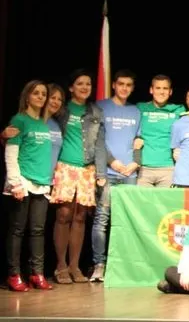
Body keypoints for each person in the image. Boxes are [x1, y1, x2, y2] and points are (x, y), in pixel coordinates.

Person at [49, 69, 107, 285]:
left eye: (88, 84)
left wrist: (101, 172)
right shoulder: (61, 109)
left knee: (80, 216)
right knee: (64, 214)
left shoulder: (95, 111)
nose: (85, 87)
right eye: (80, 83)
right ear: (71, 87)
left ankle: (74, 266)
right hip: (64, 167)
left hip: (87, 169)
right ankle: (60, 265)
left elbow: (100, 144)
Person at [3, 80, 54, 292]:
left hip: (41, 184)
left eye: (43, 94)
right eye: (36, 93)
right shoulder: (19, 120)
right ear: (27, 96)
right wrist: (15, 182)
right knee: (17, 230)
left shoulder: (44, 124)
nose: (41, 97)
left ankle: (37, 273)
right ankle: (14, 274)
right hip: (22, 182)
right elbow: (11, 153)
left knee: (38, 230)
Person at [91, 69, 142, 281]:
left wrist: (135, 163)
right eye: (121, 84)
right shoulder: (100, 107)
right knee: (102, 219)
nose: (124, 88)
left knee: (127, 220)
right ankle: (99, 265)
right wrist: (114, 162)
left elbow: (139, 141)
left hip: (130, 172)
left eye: (129, 85)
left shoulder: (136, 111)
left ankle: (122, 265)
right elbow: (97, 140)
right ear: (114, 85)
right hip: (109, 172)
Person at [136, 75, 185, 188]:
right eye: (158, 88)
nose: (161, 92)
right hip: (144, 168)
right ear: (151, 90)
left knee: (166, 205)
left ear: (170, 91)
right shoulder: (140, 108)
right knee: (143, 205)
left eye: (165, 88)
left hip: (168, 168)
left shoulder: (179, 110)